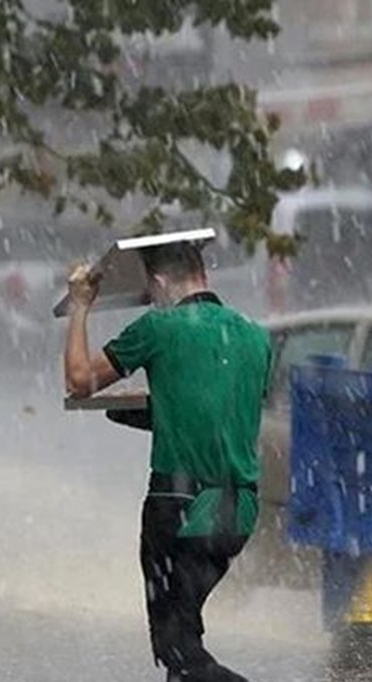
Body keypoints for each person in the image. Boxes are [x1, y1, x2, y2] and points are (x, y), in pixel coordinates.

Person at [64, 240, 272, 682]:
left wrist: (82, 305)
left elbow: (80, 379)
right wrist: (158, 411)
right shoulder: (255, 336)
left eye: (150, 290)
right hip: (237, 512)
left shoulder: (158, 328)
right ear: (204, 275)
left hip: (178, 506)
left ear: (158, 283)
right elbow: (219, 413)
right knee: (184, 637)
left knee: (176, 648)